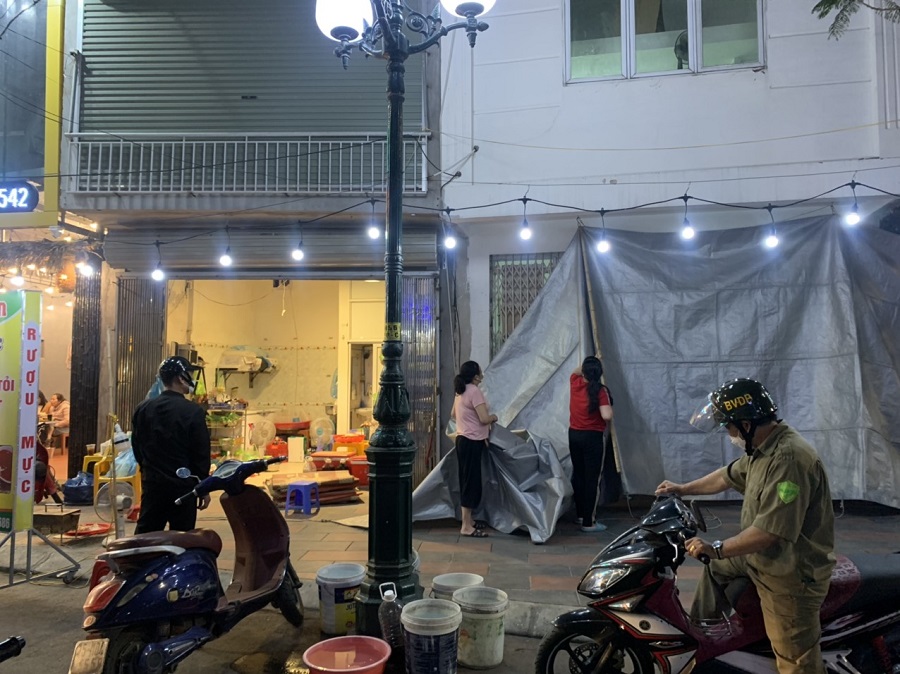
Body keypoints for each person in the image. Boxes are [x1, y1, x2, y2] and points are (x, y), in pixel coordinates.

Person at [656, 378, 835, 674]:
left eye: (728, 427)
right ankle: (703, 644)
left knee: (795, 660)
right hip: (761, 559)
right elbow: (725, 476)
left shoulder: (788, 460)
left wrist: (716, 548)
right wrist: (682, 488)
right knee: (715, 569)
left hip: (789, 573)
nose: (729, 434)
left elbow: (768, 532)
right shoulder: (762, 449)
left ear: (746, 424)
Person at [131, 356, 212, 533]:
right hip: (183, 488)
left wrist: (148, 470)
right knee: (182, 538)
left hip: (153, 485)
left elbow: (137, 447)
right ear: (181, 378)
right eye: (189, 374)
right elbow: (201, 454)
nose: (192, 379)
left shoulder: (143, 408)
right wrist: (203, 487)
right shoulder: (193, 411)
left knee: (146, 537)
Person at [568, 356, 614, 533]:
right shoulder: (600, 391)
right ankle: (589, 522)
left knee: (579, 475)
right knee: (592, 479)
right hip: (592, 438)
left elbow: (577, 370)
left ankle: (580, 515)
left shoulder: (575, 382)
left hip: (574, 435)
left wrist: (592, 363)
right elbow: (607, 415)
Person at [451, 360, 497, 537]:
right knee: (471, 482)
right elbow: (484, 418)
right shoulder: (474, 391)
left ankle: (469, 520)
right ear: (475, 376)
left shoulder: (460, 391)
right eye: (480, 371)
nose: (482, 374)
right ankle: (466, 526)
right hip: (472, 442)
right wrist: (494, 417)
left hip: (462, 440)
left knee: (466, 479)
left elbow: (453, 414)